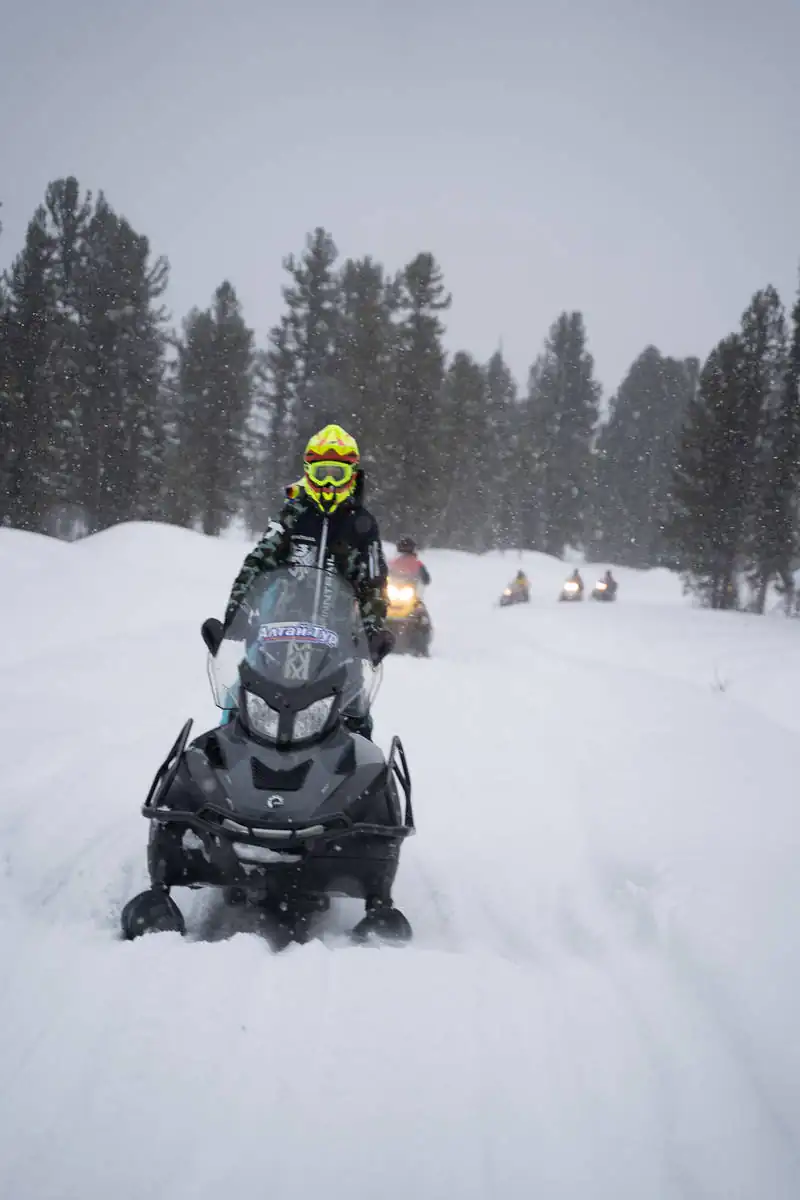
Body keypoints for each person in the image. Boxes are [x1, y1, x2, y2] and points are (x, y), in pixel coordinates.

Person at [222, 424, 393, 738]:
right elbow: (258, 563)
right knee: (239, 698)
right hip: (279, 632)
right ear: (307, 472)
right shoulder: (292, 514)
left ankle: (359, 772)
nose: (328, 483)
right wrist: (237, 612)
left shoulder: (362, 525)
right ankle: (225, 753)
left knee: (356, 714)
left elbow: (373, 583)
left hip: (339, 640)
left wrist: (373, 631)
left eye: (337, 474)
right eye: (321, 472)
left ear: (352, 476)